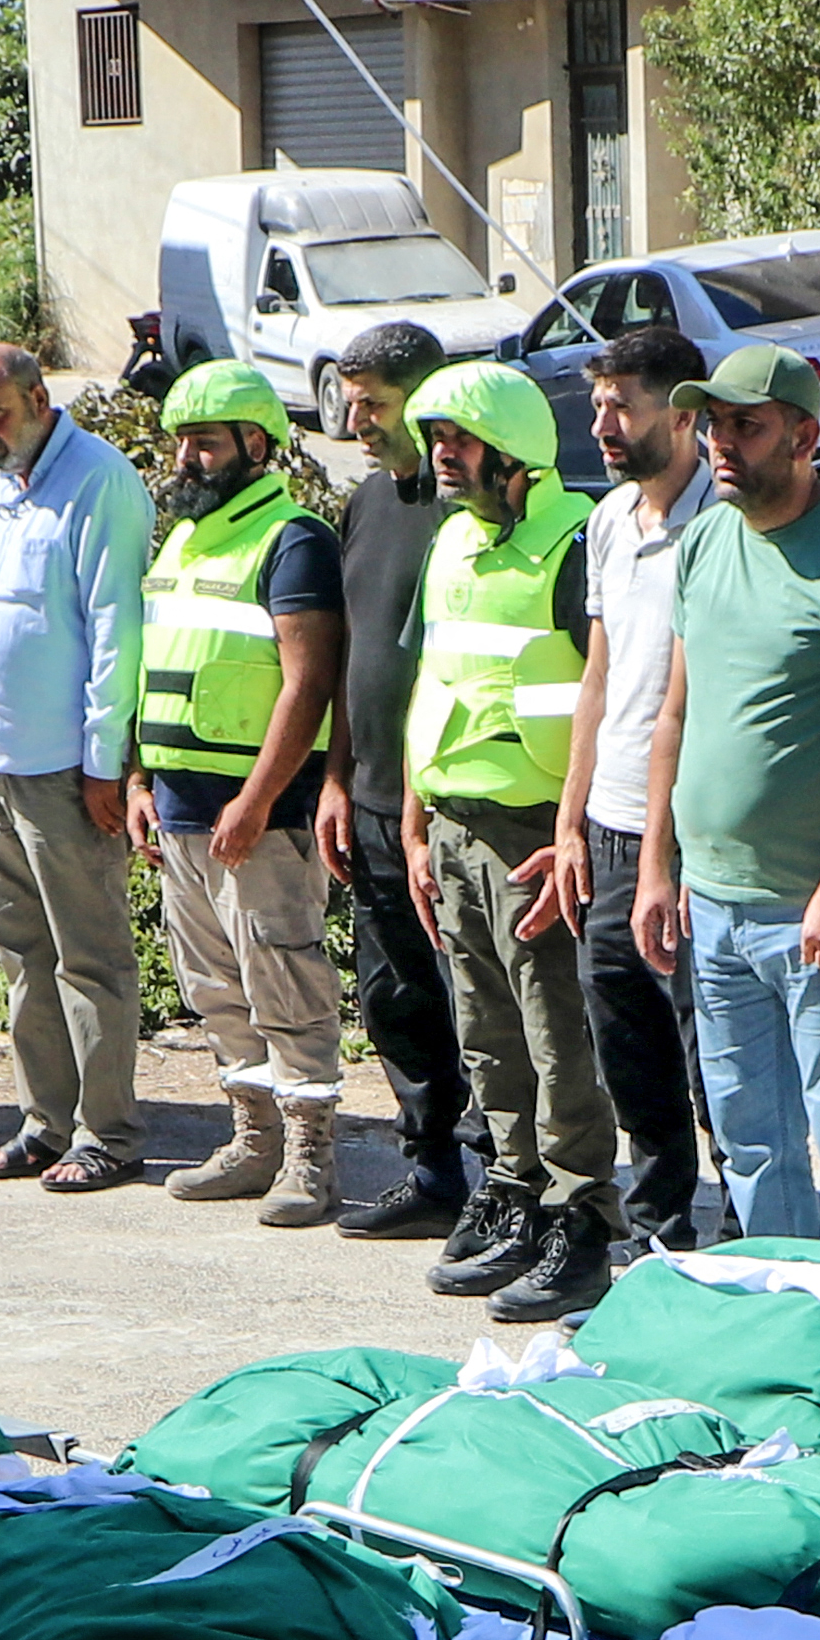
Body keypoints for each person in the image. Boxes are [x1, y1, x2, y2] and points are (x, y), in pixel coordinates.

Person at [637, 344, 820, 1245]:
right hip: (712, 906)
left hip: (814, 915)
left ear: (804, 437)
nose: (721, 443)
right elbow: (676, 713)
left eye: (747, 426)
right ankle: (788, 1303)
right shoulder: (704, 539)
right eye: (713, 424)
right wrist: (656, 868)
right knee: (750, 1141)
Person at [391, 360, 622, 1321]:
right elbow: (430, 683)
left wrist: (572, 832)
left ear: (516, 450)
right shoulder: (451, 541)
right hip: (453, 825)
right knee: (486, 1034)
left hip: (535, 834)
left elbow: (608, 702)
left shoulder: (576, 542)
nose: (443, 455)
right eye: (435, 438)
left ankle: (583, 1218)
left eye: (462, 439)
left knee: (556, 1037)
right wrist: (415, 823)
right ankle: (516, 1191)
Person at [133, 358, 357, 1225]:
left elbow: (310, 682)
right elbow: (157, 664)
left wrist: (258, 800)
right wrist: (141, 779)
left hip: (259, 815)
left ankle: (310, 1156)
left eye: (207, 442)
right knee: (215, 986)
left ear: (257, 445)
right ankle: (253, 1138)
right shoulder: (183, 539)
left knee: (285, 979)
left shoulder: (293, 540)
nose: (187, 458)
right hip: (181, 808)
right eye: (182, 441)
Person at [0, 342, 158, 1191]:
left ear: (37, 400)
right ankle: (45, 1123)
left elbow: (114, 630)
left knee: (89, 957)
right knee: (21, 951)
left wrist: (105, 764)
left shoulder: (99, 481)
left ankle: (109, 1133)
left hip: (65, 770)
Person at [318, 322, 480, 1240]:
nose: (357, 423)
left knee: (477, 1006)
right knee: (395, 997)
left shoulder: (466, 509)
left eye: (374, 404)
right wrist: (337, 778)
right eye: (351, 403)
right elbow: (355, 654)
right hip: (374, 796)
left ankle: (507, 1183)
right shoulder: (368, 504)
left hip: (452, 804)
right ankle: (433, 1171)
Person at [558, 322, 718, 1246]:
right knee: (631, 1055)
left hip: (692, 837)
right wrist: (570, 820)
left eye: (621, 405)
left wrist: (669, 849)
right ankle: (660, 1241)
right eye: (597, 403)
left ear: (683, 415)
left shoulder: (723, 525)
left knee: (713, 1058)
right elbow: (600, 677)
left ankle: (746, 1249)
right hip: (610, 830)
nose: (601, 424)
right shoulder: (609, 520)